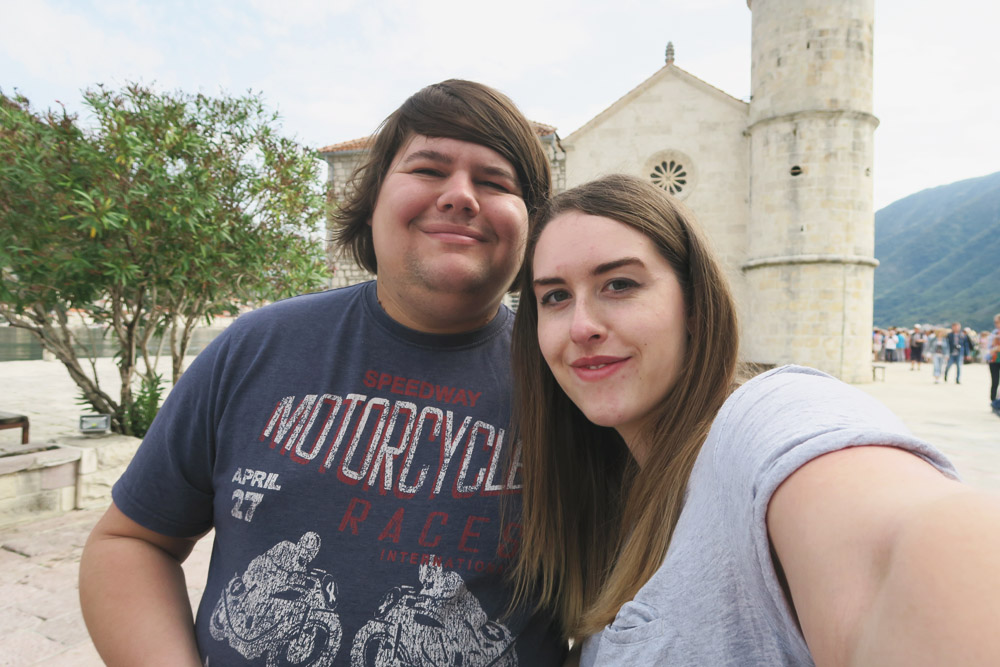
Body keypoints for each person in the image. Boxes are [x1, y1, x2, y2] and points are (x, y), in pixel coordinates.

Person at [79, 79, 566, 666]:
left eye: (494, 182)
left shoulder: (571, 382)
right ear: (373, 200)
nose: (460, 196)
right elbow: (131, 541)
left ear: (533, 225)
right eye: (429, 169)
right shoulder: (256, 348)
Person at [507, 174, 1000, 666]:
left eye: (619, 284)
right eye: (555, 296)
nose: (581, 326)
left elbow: (925, 548)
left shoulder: (761, 416)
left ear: (695, 306)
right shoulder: (604, 486)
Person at [987, 314, 1000, 417]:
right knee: (995, 381)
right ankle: (993, 402)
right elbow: (989, 349)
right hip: (994, 360)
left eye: (997, 322)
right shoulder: (993, 334)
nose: (996, 324)